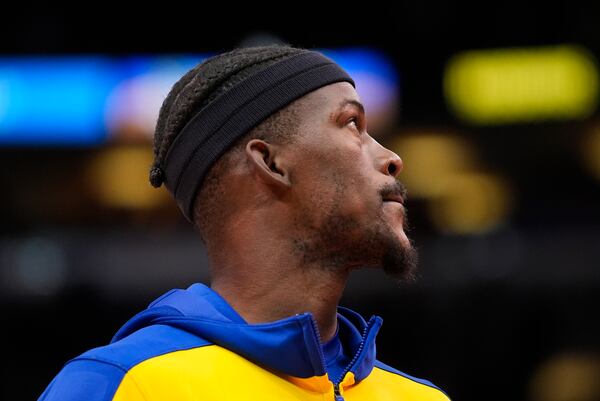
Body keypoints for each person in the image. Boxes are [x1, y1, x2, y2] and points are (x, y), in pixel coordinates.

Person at [38, 44, 451, 401]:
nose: (392, 159)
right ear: (270, 162)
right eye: (352, 125)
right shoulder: (123, 384)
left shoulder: (421, 396)